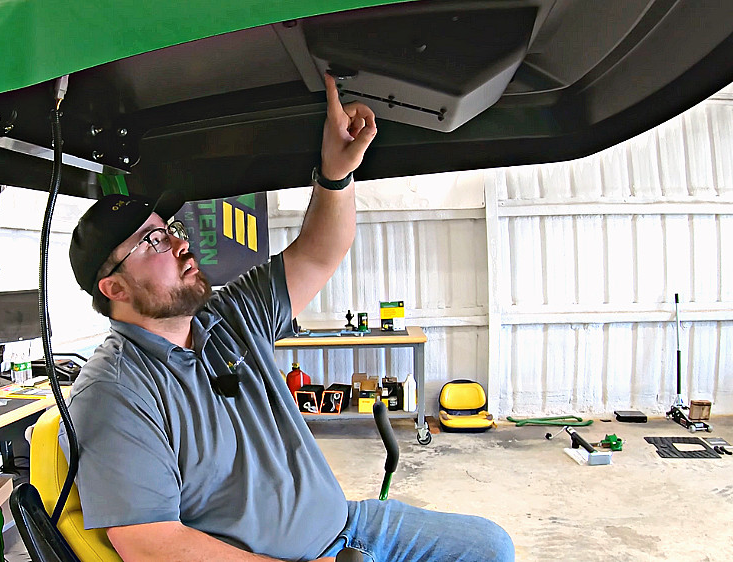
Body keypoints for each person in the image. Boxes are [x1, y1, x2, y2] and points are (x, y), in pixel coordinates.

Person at [63, 73, 514, 562]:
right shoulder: (113, 393)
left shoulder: (228, 316)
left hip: (348, 525)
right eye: (152, 242)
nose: (180, 243)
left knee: (490, 547)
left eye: (168, 229)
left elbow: (320, 253)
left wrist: (336, 173)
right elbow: (150, 543)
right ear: (114, 287)